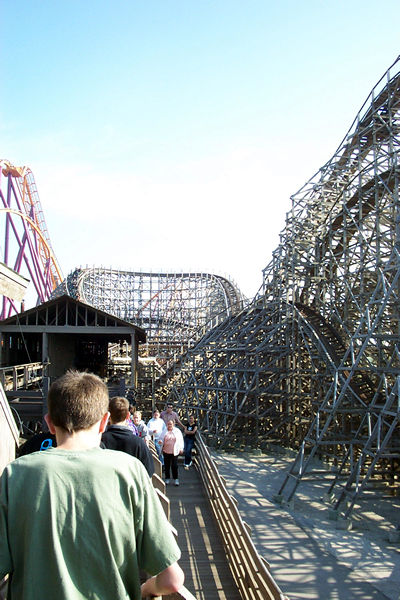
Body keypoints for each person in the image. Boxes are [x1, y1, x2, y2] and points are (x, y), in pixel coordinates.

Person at [0, 370, 184, 600]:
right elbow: (172, 579)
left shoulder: (15, 474)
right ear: (104, 422)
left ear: (49, 422)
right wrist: (146, 589)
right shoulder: (129, 471)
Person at [101, 396, 154, 476]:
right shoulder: (138, 443)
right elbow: (149, 472)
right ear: (128, 416)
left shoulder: (100, 441)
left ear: (109, 415)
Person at [160, 419, 184, 486]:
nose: (169, 426)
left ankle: (176, 479)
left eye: (170, 424)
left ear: (173, 424)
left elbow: (180, 440)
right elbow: (161, 438)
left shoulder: (177, 431)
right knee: (167, 466)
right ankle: (167, 478)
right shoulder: (165, 431)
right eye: (168, 424)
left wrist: (181, 448)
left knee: (174, 466)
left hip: (174, 451)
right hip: (166, 451)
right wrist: (160, 442)